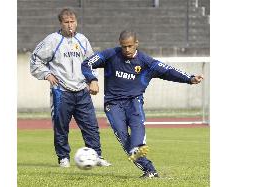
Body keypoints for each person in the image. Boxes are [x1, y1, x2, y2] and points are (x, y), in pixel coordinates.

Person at [81, 30, 203, 178]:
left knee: (136, 135)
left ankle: (139, 149)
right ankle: (149, 168)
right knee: (122, 136)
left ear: (136, 44)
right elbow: (87, 63)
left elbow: (168, 71)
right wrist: (92, 79)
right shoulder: (111, 55)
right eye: (123, 46)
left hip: (134, 101)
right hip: (113, 104)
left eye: (130, 46)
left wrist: (189, 78)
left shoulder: (146, 62)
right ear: (120, 44)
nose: (126, 49)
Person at [30, 8, 111, 168]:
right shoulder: (52, 40)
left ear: (76, 22)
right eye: (66, 22)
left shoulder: (82, 40)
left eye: (72, 22)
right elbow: (35, 59)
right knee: (61, 126)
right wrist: (47, 74)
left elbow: (91, 62)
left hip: (82, 91)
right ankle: (63, 158)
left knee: (91, 126)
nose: (70, 25)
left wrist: (93, 80)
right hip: (62, 91)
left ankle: (96, 156)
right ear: (61, 23)